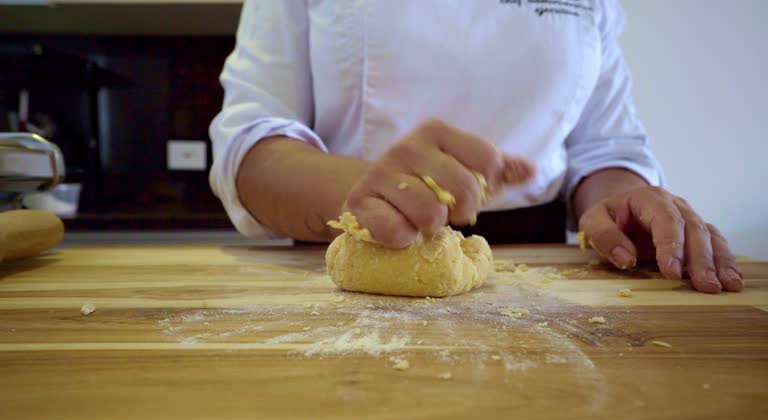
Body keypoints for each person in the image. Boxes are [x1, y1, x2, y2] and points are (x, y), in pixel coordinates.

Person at [209, 0, 742, 294]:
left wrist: (627, 199)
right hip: (353, 239)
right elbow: (252, 141)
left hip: (549, 270)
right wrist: (370, 192)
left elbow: (605, 144)